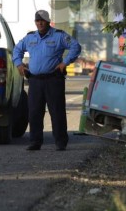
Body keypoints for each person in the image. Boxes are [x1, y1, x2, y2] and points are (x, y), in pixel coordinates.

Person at [12, 10, 81, 151]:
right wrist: (19, 64)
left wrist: (65, 63)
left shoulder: (59, 35)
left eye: (42, 20)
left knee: (57, 112)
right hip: (35, 81)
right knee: (34, 112)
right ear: (35, 22)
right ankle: (35, 141)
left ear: (48, 21)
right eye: (37, 21)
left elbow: (75, 47)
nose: (40, 23)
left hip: (53, 80)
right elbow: (17, 50)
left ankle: (61, 142)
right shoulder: (30, 37)